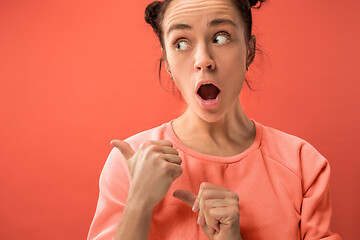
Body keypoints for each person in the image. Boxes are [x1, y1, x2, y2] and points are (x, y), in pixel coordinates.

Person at [87, 0, 342, 239]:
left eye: (221, 37)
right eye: (181, 43)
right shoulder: (130, 161)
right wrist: (138, 202)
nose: (204, 61)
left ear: (249, 51)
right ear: (168, 64)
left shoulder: (303, 165)